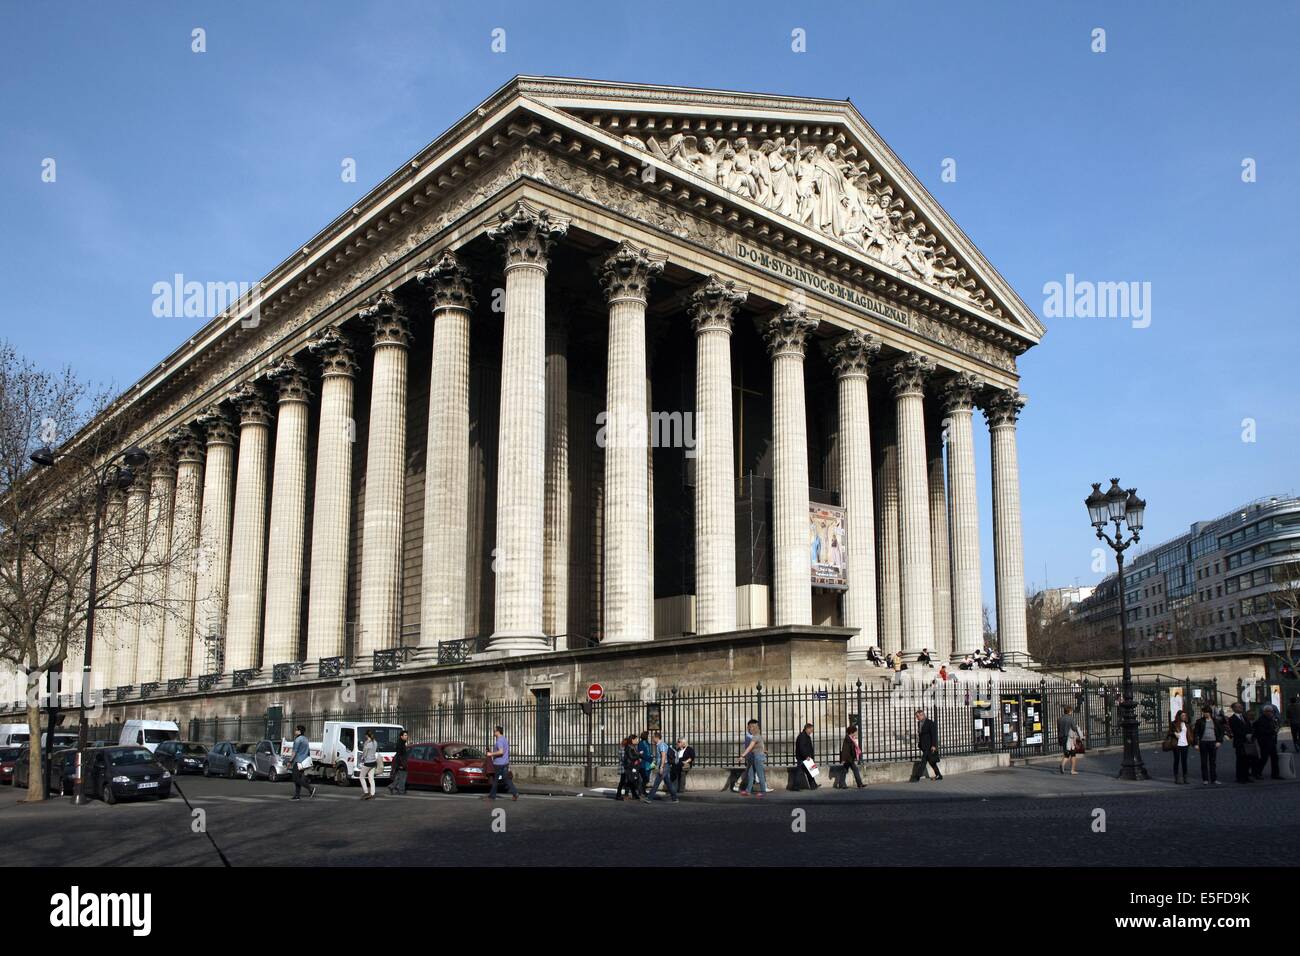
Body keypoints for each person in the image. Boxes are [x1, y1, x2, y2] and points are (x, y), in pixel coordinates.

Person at [642, 731, 679, 803]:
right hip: (665, 765)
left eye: (653, 737)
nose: (652, 739)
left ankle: (649, 798)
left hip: (664, 766)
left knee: (656, 782)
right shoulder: (659, 745)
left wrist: (661, 767)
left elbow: (663, 756)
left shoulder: (661, 745)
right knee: (668, 782)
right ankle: (675, 798)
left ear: (656, 738)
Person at [1193, 704, 1224, 785]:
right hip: (1203, 743)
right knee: (1204, 762)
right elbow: (1195, 733)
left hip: (1213, 742)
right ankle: (1205, 779)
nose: (1205, 714)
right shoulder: (1199, 721)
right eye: (1204, 712)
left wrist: (1219, 741)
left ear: (1210, 713)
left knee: (1212, 762)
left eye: (1207, 712)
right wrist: (1196, 744)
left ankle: (1214, 779)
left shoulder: (1215, 721)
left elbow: (1221, 732)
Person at [486, 724, 519, 801]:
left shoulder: (499, 741)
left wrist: (491, 754)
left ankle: (492, 796)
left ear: (498, 731)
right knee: (506, 779)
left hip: (499, 763)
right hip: (505, 763)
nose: (493, 732)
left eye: (494, 731)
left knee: (495, 780)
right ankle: (515, 793)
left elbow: (501, 752)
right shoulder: (504, 739)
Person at [739, 719, 767, 797]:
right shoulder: (756, 736)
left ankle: (763, 791)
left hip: (758, 757)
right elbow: (760, 746)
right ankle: (748, 791)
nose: (749, 730)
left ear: (754, 729)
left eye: (750, 728)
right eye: (749, 728)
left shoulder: (756, 737)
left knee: (760, 774)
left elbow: (749, 747)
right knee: (750, 774)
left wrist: (742, 755)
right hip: (755, 757)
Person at [1227, 702, 1253, 784]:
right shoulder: (1232, 719)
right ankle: (1240, 777)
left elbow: (1249, 727)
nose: (1240, 708)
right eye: (1238, 707)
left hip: (1247, 741)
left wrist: (1250, 734)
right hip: (1239, 741)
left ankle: (1246, 776)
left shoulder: (1244, 717)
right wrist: (1245, 735)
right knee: (1240, 760)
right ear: (1234, 708)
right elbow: (1236, 730)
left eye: (1241, 706)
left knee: (1247, 760)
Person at [1253, 704, 1281, 780]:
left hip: (1271, 741)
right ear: (1265, 712)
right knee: (1264, 758)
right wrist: (1273, 731)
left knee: (1274, 758)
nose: (1271, 713)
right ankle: (1257, 772)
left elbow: (1273, 728)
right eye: (1270, 711)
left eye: (1272, 711)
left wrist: (1275, 730)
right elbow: (1261, 731)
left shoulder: (1271, 719)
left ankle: (1275, 774)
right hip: (1265, 742)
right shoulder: (1261, 720)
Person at [289, 724, 316, 800]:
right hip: (304, 762)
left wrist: (290, 761)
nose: (295, 731)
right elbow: (308, 751)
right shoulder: (305, 739)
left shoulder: (297, 740)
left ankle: (310, 788)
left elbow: (294, 752)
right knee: (298, 778)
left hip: (298, 761)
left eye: (296, 730)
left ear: (299, 731)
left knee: (295, 778)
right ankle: (297, 795)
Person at [916, 709, 942, 781]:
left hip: (929, 746)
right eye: (916, 716)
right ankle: (939, 775)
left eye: (918, 716)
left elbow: (933, 735)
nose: (917, 718)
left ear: (922, 715)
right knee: (932, 762)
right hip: (923, 746)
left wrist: (933, 745)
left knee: (923, 761)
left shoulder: (930, 723)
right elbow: (920, 734)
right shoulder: (919, 723)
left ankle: (917, 776)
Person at [836, 724, 865, 789]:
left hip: (849, 758)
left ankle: (841, 784)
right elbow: (846, 750)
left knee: (845, 770)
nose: (856, 733)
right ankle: (859, 784)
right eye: (855, 731)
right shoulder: (848, 739)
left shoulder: (850, 738)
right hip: (849, 758)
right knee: (855, 770)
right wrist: (847, 758)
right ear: (852, 732)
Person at [1058, 705, 1083, 775]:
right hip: (1069, 738)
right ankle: (1072, 770)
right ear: (1069, 711)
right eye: (1071, 711)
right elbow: (1074, 728)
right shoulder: (1070, 718)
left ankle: (1063, 764)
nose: (1072, 712)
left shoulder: (1060, 719)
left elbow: (1059, 729)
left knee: (1067, 753)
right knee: (1073, 754)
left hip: (1062, 738)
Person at [1168, 710, 1191, 784]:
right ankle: (1176, 777)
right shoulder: (1174, 723)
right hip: (1177, 745)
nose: (1184, 717)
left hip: (1185, 744)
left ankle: (1185, 777)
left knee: (1184, 761)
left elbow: (1189, 733)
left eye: (1185, 715)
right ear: (1179, 716)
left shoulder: (1186, 724)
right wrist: (1174, 733)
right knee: (1177, 761)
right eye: (1183, 716)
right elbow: (1169, 733)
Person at [794, 722, 819, 790]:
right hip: (803, 758)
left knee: (810, 771)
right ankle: (795, 786)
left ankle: (813, 785)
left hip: (807, 757)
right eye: (811, 729)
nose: (812, 731)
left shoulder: (806, 736)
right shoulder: (802, 736)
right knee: (800, 772)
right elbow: (802, 747)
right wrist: (806, 756)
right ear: (807, 729)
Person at [616, 736, 641, 801]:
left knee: (629, 781)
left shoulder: (625, 748)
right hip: (624, 767)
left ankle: (633, 794)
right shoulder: (624, 749)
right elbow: (625, 758)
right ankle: (620, 795)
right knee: (623, 781)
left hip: (625, 767)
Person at [388, 730, 409, 795]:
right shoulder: (400, 744)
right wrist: (401, 764)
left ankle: (392, 786)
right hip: (401, 763)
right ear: (401, 736)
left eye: (406, 735)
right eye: (405, 735)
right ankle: (401, 790)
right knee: (403, 777)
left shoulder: (402, 743)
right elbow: (399, 755)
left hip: (401, 762)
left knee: (399, 777)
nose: (406, 736)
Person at [359, 729, 378, 800]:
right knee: (371, 778)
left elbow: (364, 754)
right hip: (374, 762)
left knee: (361, 777)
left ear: (366, 735)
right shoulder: (375, 742)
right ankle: (372, 793)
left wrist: (362, 759)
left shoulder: (367, 743)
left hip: (368, 762)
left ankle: (366, 792)